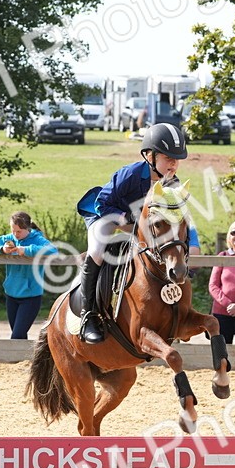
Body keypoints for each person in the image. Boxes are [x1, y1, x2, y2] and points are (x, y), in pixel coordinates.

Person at [75, 122, 188, 343]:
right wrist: (128, 221)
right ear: (149, 156)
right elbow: (103, 204)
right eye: (168, 158)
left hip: (141, 226)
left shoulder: (173, 184)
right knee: (97, 251)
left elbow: (175, 220)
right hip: (107, 216)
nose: (173, 164)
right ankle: (88, 315)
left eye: (176, 159)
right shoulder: (130, 173)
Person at [0, 211, 58, 340]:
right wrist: (1, 249)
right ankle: (23, 359)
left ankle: (17, 359)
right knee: (19, 335)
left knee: (16, 335)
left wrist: (27, 250)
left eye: (19, 232)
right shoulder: (9, 239)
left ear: (27, 228)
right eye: (13, 231)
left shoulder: (37, 239)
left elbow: (53, 251)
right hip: (11, 293)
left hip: (31, 296)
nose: (16, 235)